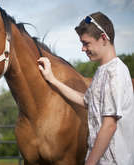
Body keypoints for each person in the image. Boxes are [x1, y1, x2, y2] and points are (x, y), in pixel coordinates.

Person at [38, 12, 134, 165]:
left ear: (103, 38)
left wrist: (89, 163)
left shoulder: (115, 73)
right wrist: (52, 80)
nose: (83, 49)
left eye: (86, 43)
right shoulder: (102, 71)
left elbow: (109, 125)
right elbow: (85, 100)